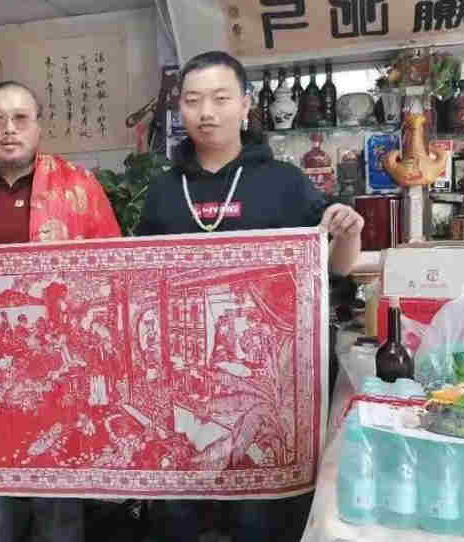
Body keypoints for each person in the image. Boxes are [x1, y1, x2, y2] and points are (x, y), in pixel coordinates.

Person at [135, 51, 364, 541]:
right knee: (179, 515)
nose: (206, 112)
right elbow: (141, 280)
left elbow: (336, 268)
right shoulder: (163, 192)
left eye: (220, 99)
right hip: (186, 391)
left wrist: (348, 231)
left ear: (244, 105)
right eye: (193, 101)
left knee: (262, 519)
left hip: (278, 389)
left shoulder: (285, 182)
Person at [0, 80, 121, 542]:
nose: (9, 129)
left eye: (20, 118)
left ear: (38, 125)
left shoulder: (80, 189)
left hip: (58, 391)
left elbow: (113, 275)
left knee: (58, 521)